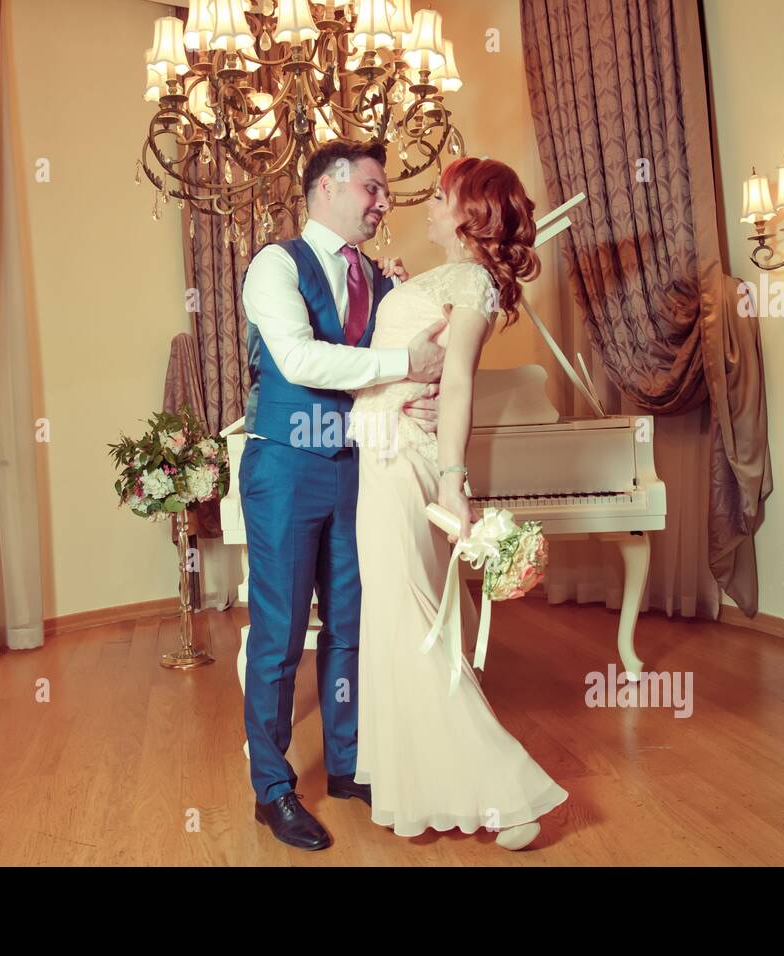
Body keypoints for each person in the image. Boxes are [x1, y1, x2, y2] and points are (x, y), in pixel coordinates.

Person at [350, 157, 569, 851]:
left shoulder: (471, 281)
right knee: (401, 617)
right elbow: (427, 357)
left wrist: (452, 480)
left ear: (471, 213)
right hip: (383, 457)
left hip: (402, 463)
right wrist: (401, 298)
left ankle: (508, 796)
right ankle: (422, 781)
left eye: (441, 198)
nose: (429, 207)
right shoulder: (450, 280)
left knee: (411, 620)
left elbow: (460, 387)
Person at [238, 140, 448, 851]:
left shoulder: (375, 277)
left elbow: (391, 379)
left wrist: (418, 390)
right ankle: (272, 790)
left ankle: (350, 762)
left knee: (350, 628)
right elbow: (297, 357)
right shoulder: (276, 264)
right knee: (280, 637)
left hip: (356, 464)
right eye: (372, 187)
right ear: (328, 187)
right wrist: (403, 361)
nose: (384, 202)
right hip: (285, 469)